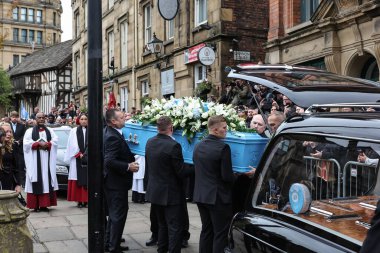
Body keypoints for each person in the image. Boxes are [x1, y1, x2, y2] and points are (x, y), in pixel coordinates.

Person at [145, 116, 193, 253]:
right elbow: (181, 171)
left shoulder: (150, 141)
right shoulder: (173, 145)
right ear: (171, 128)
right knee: (174, 228)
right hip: (170, 195)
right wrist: (195, 168)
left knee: (162, 225)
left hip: (155, 192)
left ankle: (161, 250)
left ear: (157, 128)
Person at [193, 115, 235, 253]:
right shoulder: (223, 148)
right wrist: (241, 175)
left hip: (201, 195)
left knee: (206, 230)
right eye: (224, 128)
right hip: (217, 198)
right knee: (220, 234)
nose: (226, 130)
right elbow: (227, 177)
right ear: (215, 130)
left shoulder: (198, 146)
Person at [103, 109, 139, 253]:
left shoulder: (111, 132)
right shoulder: (113, 137)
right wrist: (128, 166)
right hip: (115, 183)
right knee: (118, 215)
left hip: (112, 182)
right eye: (122, 117)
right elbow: (109, 161)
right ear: (114, 121)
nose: (125, 119)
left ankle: (109, 243)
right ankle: (114, 247)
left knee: (113, 215)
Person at [23, 112, 59, 212]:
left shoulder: (50, 131)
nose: (42, 119)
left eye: (43, 117)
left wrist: (48, 144)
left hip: (47, 160)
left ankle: (44, 205)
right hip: (35, 160)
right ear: (35, 119)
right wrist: (38, 144)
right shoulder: (29, 131)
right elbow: (26, 144)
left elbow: (55, 140)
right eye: (39, 118)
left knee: (46, 180)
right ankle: (35, 205)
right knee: (36, 179)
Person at [64, 113, 88, 208]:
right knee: (77, 177)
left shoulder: (92, 130)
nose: (84, 121)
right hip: (77, 158)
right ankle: (79, 200)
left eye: (85, 119)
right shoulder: (74, 131)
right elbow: (72, 144)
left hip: (88, 159)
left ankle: (86, 200)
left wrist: (86, 154)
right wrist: (79, 154)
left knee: (88, 178)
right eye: (82, 119)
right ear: (78, 120)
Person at [0, 124, 22, 193]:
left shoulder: (14, 145)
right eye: (6, 132)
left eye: (10, 132)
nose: (9, 134)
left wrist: (18, 184)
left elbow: (17, 167)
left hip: (9, 179)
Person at [9, 111, 27, 187]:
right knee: (11, 165)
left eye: (16, 117)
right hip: (10, 148)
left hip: (19, 148)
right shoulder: (8, 125)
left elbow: (24, 135)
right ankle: (12, 182)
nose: (14, 118)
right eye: (13, 117)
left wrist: (19, 141)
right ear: (10, 117)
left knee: (21, 165)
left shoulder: (22, 126)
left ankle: (22, 182)